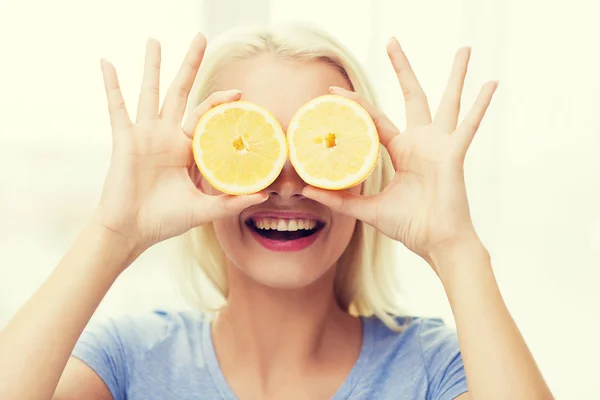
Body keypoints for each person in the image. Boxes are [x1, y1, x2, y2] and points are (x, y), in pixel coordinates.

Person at [0, 23, 553, 400]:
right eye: (249, 148)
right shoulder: (128, 360)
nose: (287, 184)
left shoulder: (433, 369)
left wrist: (457, 250)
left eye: (321, 144)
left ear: (366, 166)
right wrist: (110, 234)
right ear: (198, 171)